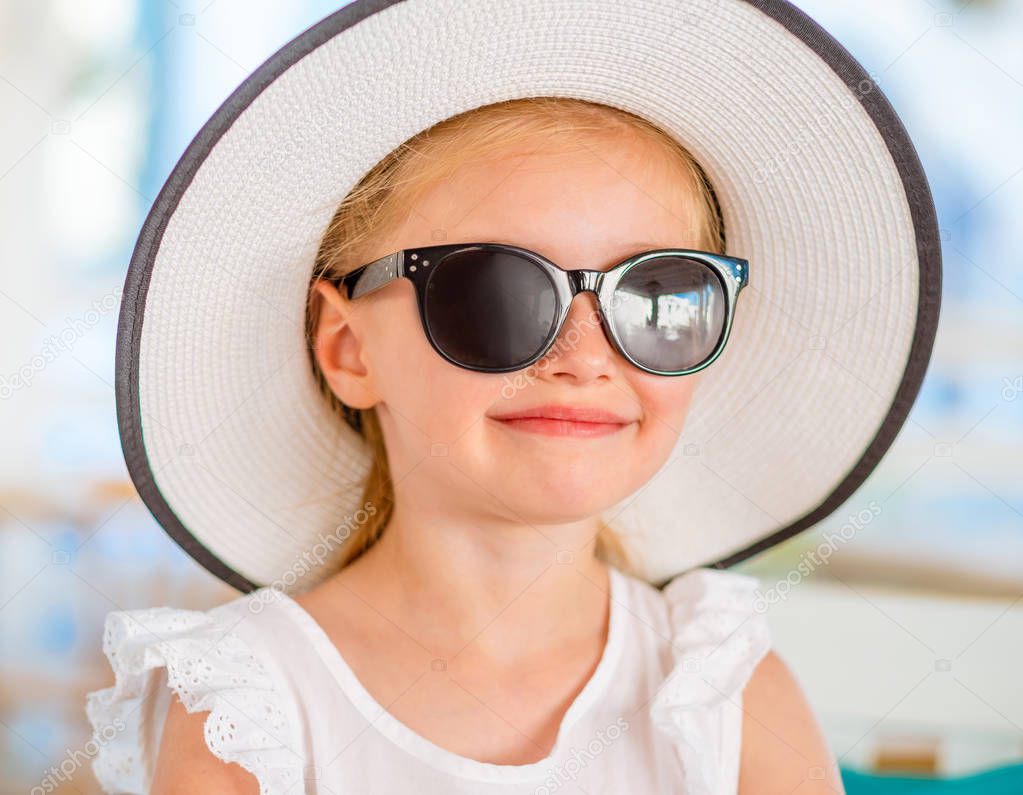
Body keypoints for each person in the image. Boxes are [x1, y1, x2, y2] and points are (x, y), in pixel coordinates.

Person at [84, 2, 941, 793]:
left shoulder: (718, 681)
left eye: (656, 298)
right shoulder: (249, 703)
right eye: (495, 294)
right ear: (350, 350)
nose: (582, 357)